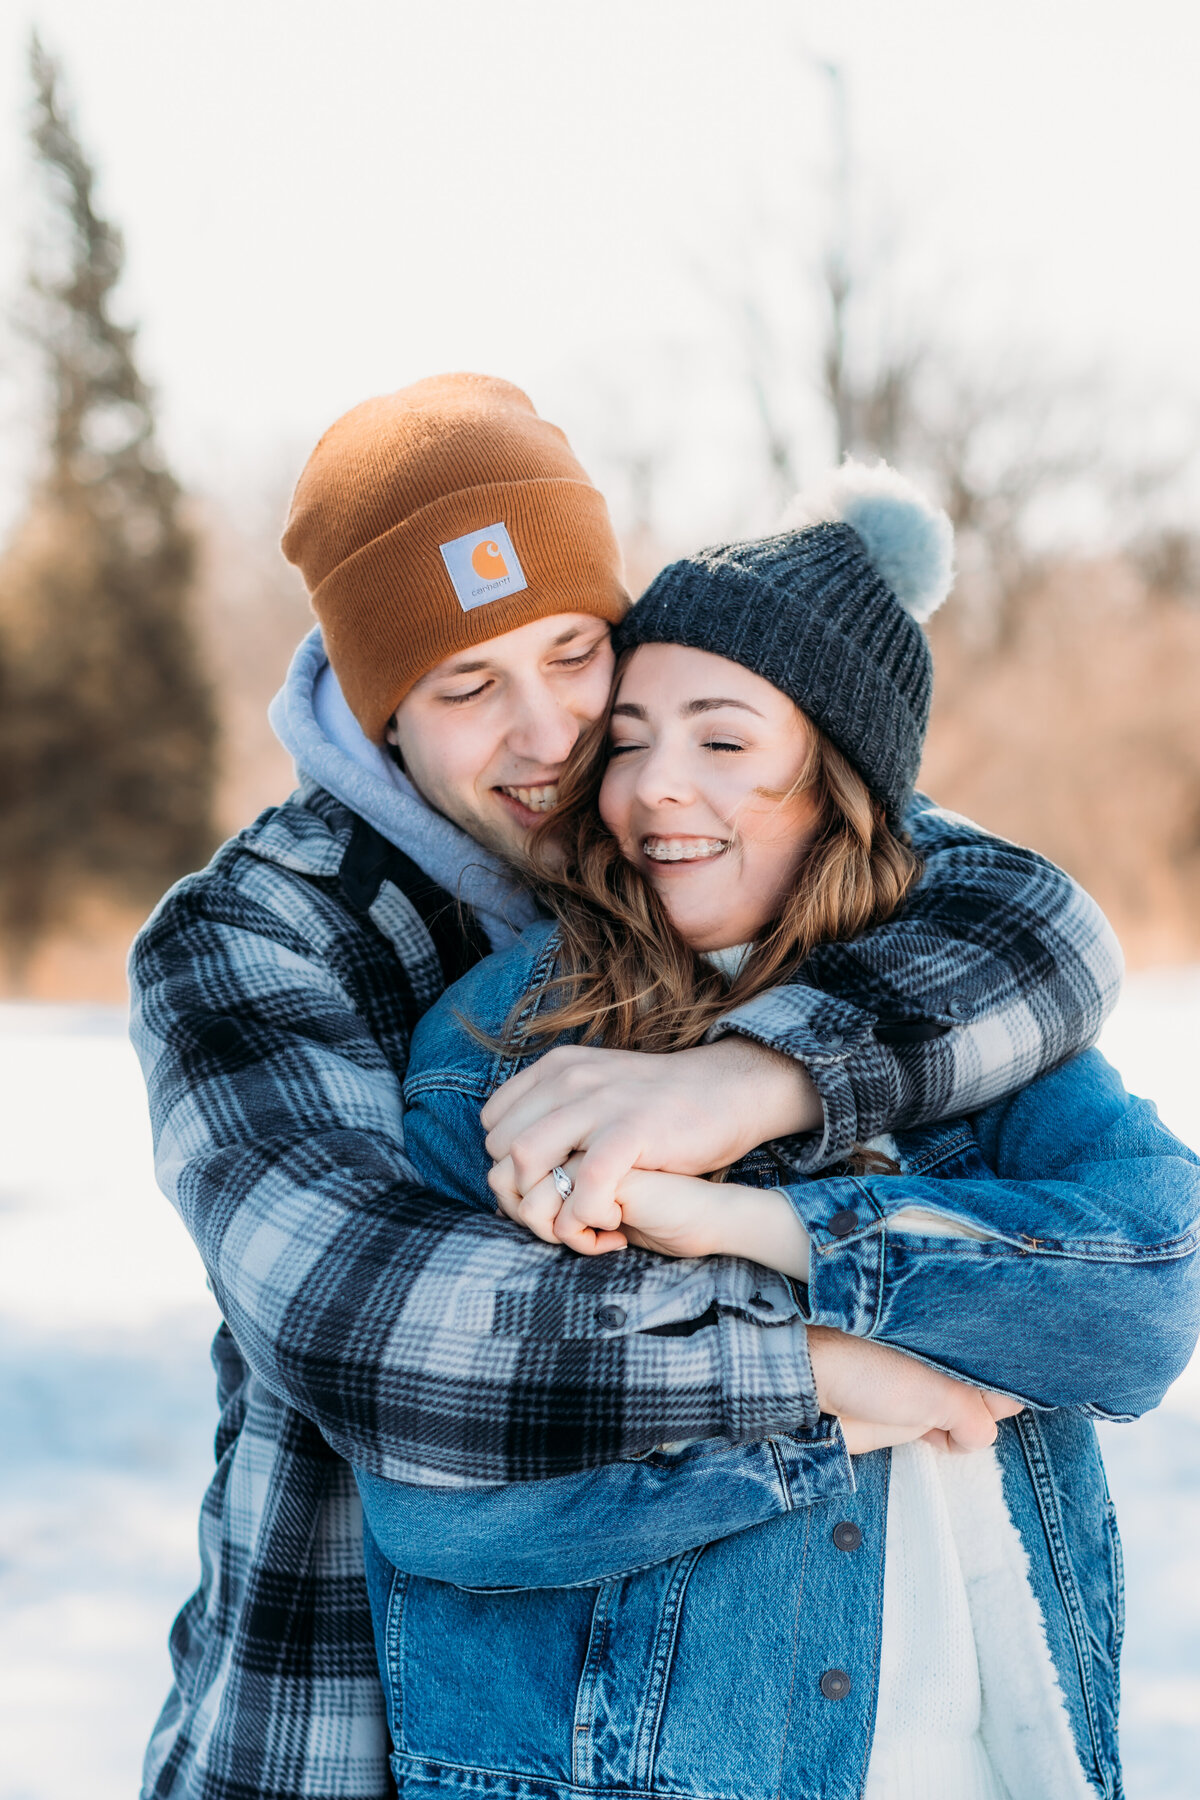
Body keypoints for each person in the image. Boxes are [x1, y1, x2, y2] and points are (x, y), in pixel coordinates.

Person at [129, 379, 1124, 1800]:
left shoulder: (694, 816)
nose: (549, 735)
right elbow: (365, 1313)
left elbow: (1043, 928)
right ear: (378, 710)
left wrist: (753, 1079)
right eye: (469, 686)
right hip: (340, 1724)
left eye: (574, 651)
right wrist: (805, 1369)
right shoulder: (255, 938)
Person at [356, 462, 1200, 1799]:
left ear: (837, 777)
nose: (651, 790)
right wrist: (820, 1397)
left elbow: (1151, 1288)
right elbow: (441, 1500)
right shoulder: (511, 1045)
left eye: (723, 740)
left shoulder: (955, 1014)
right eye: (628, 738)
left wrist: (750, 1226)